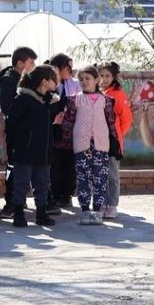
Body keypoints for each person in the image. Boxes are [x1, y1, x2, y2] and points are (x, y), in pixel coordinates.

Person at [60, 66, 121, 226]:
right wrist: (65, 144)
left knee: (100, 178)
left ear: (96, 80)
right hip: (81, 144)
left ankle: (97, 210)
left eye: (88, 78)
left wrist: (115, 145)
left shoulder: (106, 100)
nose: (84, 82)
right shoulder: (75, 99)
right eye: (81, 79)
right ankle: (85, 210)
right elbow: (68, 123)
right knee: (83, 178)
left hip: (101, 145)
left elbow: (111, 124)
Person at [5, 65, 59, 227]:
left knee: (42, 183)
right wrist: (11, 149)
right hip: (24, 151)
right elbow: (12, 125)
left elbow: (51, 127)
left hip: (43, 152)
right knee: (21, 183)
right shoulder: (22, 100)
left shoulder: (50, 102)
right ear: (44, 81)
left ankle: (41, 213)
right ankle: (19, 214)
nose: (57, 83)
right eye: (54, 79)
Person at [0, 46, 38, 220]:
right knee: (12, 168)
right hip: (15, 133)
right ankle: (10, 203)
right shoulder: (9, 81)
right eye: (31, 62)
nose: (34, 65)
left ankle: (19, 199)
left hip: (26, 132)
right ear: (20, 64)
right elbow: (7, 108)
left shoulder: (26, 79)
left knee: (24, 167)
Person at [98, 62, 132, 220]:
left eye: (107, 76)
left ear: (113, 77)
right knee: (99, 174)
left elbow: (126, 119)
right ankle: (102, 203)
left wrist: (116, 135)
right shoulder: (95, 93)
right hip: (97, 141)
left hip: (112, 141)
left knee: (112, 175)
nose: (104, 79)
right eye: (101, 75)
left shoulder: (118, 94)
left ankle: (112, 205)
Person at [48, 53, 80, 211]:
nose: (70, 70)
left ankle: (66, 195)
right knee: (54, 165)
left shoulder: (75, 84)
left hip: (71, 132)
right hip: (53, 130)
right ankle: (53, 195)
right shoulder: (49, 82)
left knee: (69, 165)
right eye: (67, 67)